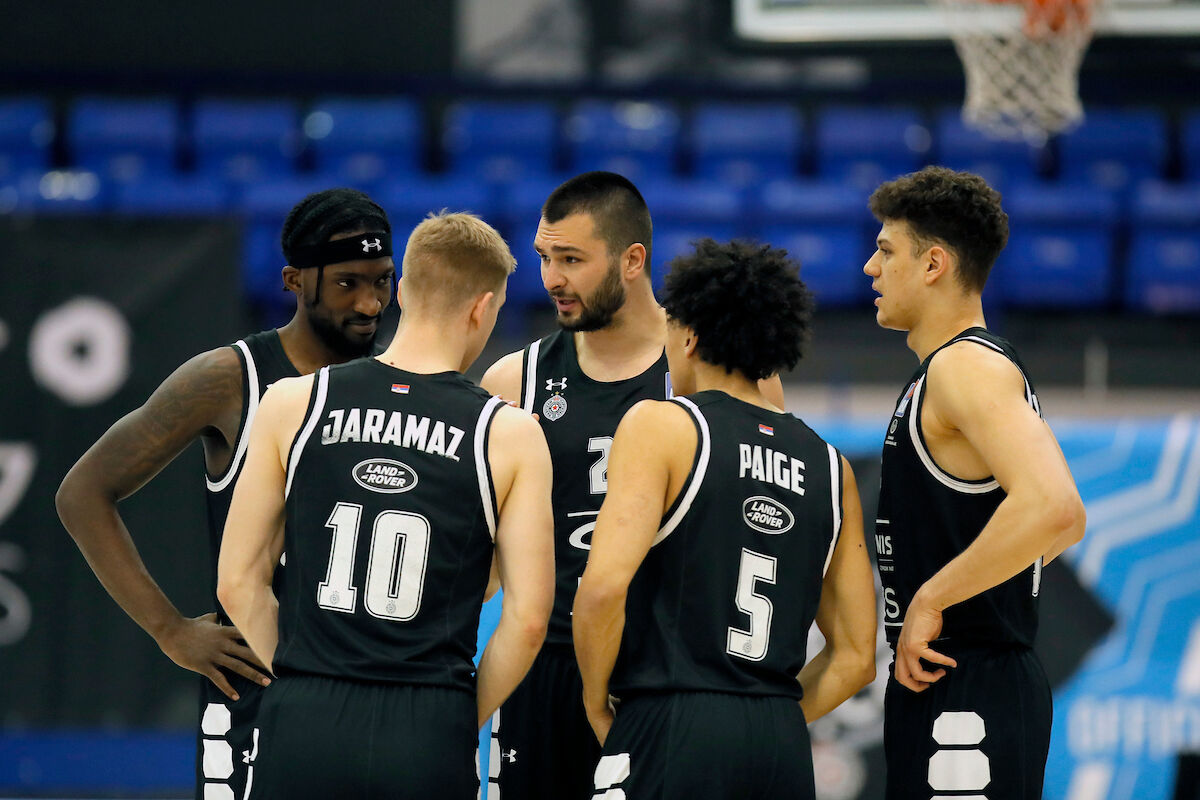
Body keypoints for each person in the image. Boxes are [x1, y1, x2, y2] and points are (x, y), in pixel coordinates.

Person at [55, 187, 399, 800]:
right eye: (348, 283)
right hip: (258, 688)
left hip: (369, 685)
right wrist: (169, 629)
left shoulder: (402, 384)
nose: (371, 303)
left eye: (383, 281)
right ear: (295, 281)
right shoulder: (230, 378)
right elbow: (83, 493)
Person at [217, 212, 554, 799]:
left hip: (305, 716)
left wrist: (302, 676)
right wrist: (455, 713)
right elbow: (526, 621)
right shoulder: (508, 433)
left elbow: (238, 582)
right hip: (427, 722)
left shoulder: (293, 401)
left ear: (400, 290)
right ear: (482, 309)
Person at [479, 171, 785, 799]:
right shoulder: (514, 381)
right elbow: (480, 562)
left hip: (663, 676)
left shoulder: (717, 369)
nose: (551, 278)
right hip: (544, 669)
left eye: (572, 259)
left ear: (632, 260)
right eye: (544, 258)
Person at [573, 238, 877, 799]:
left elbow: (603, 589)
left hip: (672, 720)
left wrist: (595, 702)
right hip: (779, 739)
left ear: (689, 336)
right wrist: (768, 721)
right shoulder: (832, 466)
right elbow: (857, 657)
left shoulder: (662, 426)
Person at [863, 166, 1086, 800]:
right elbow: (1061, 522)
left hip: (972, 688)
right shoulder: (956, 368)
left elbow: (1056, 510)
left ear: (933, 263)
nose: (870, 269)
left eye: (886, 251)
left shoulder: (965, 366)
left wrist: (933, 599)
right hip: (958, 680)